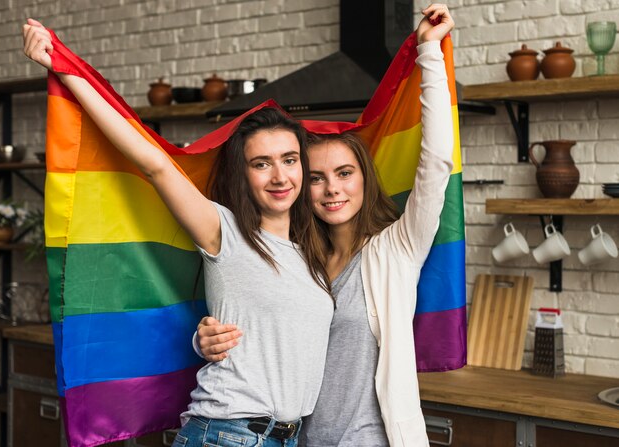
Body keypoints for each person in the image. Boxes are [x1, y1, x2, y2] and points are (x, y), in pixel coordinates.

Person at [23, 20, 335, 447]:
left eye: (289, 159)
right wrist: (63, 69)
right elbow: (153, 164)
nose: (279, 175)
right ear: (243, 175)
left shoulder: (312, 252)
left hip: (288, 437)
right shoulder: (224, 231)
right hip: (227, 435)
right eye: (261, 163)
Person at [195, 3, 455, 446]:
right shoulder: (295, 255)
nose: (331, 189)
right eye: (316, 177)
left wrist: (429, 53)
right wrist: (206, 340)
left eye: (344, 173)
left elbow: (436, 164)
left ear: (364, 178)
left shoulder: (397, 250)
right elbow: (259, 331)